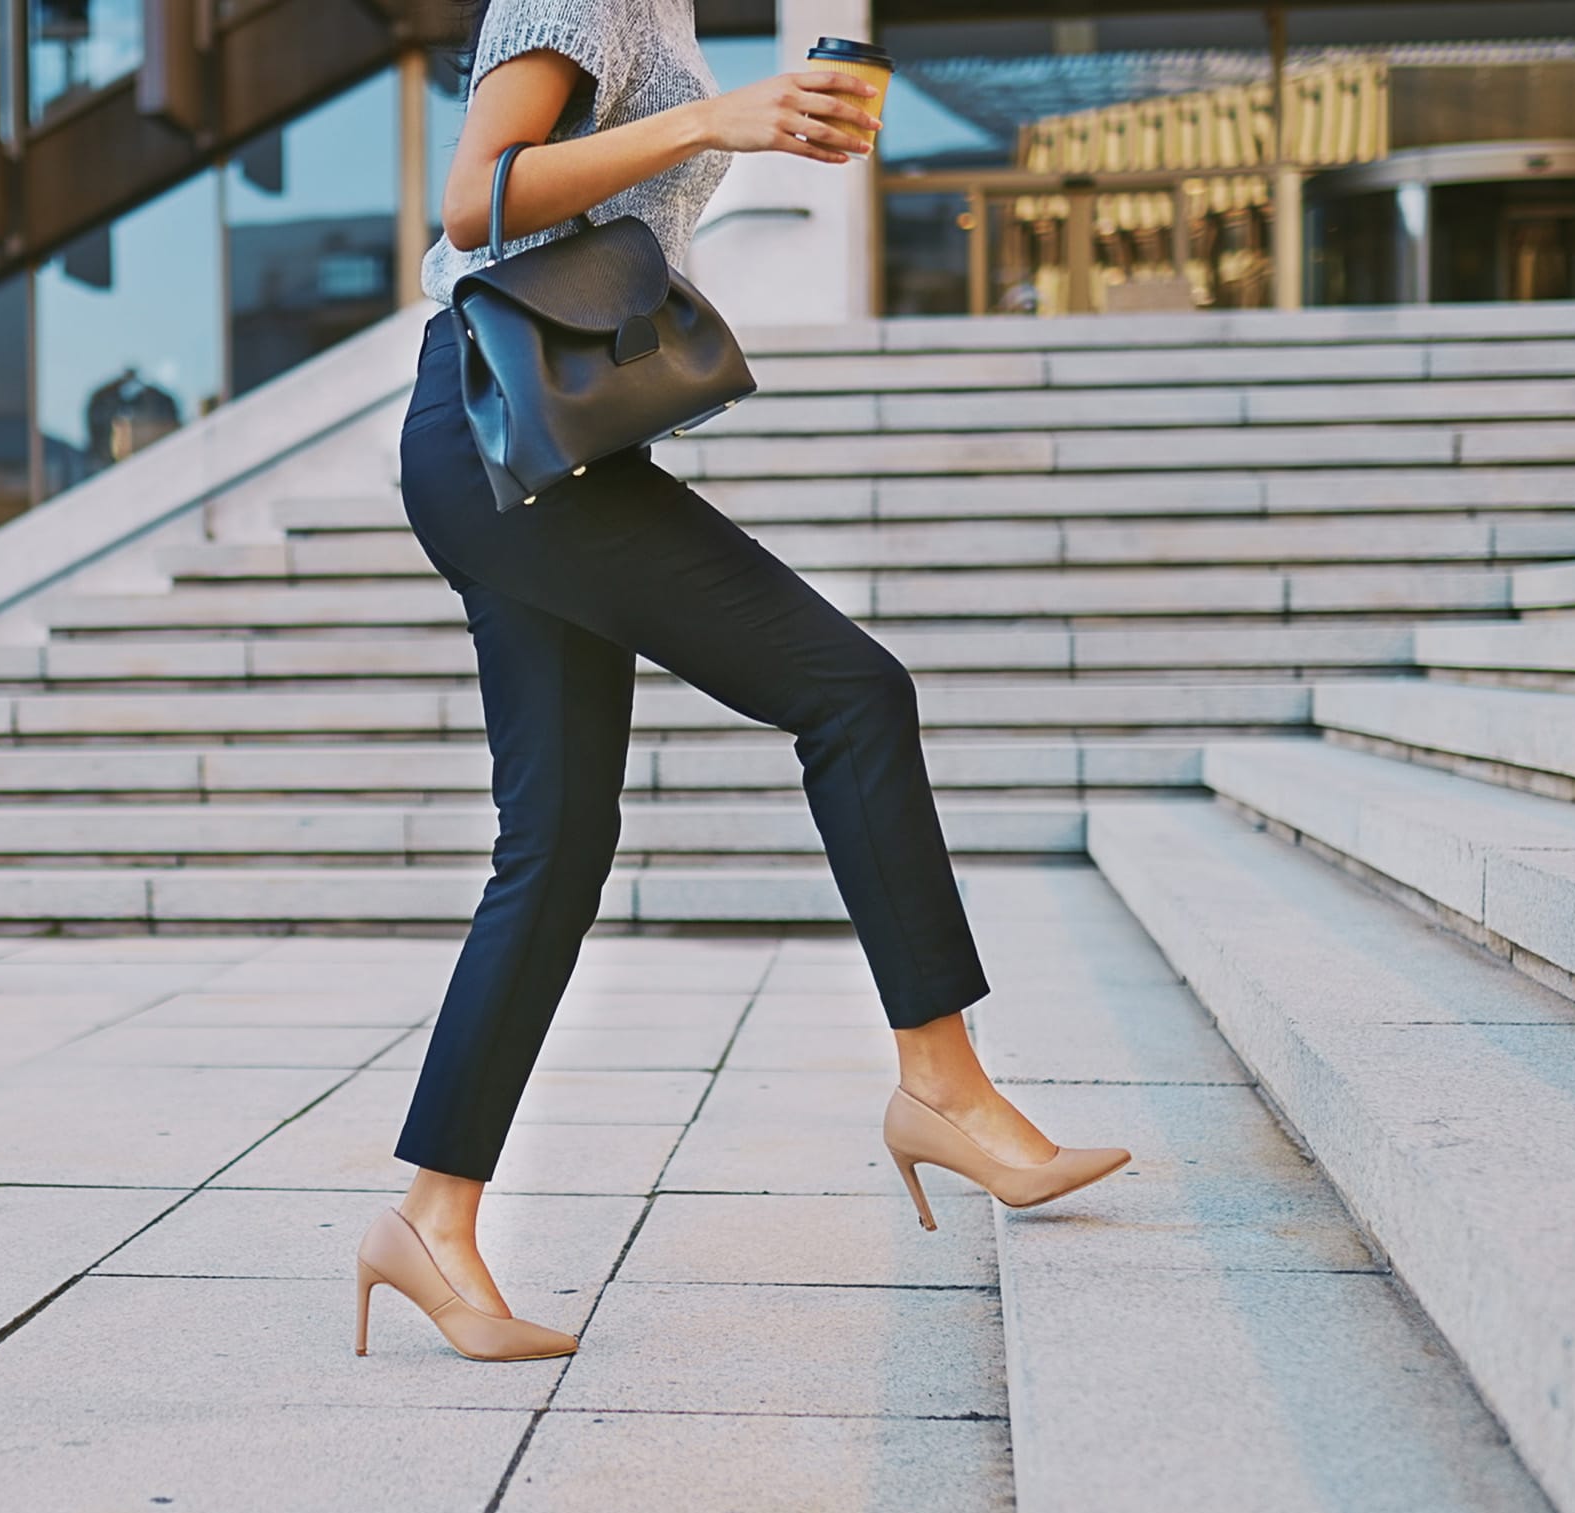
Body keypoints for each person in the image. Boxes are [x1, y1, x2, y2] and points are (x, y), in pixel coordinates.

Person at [353, 0, 1131, 1365]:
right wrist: (721, 118)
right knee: (852, 692)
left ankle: (429, 1218)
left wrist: (743, 127)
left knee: (551, 851)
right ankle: (942, 1087)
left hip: (526, 443)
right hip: (503, 427)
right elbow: (476, 199)